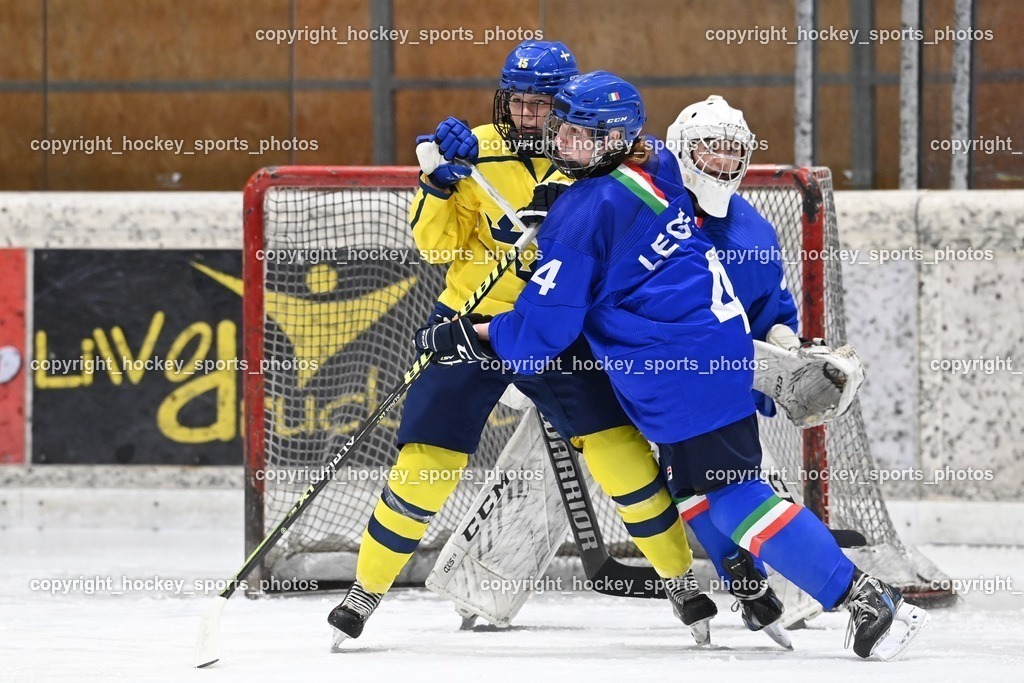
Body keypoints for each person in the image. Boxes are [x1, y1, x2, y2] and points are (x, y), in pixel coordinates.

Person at [417, 71, 929, 661]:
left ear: (615, 140)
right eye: (562, 130)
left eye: (584, 136)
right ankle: (747, 582)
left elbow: (539, 335)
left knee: (735, 497)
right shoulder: (656, 164)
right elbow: (617, 198)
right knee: (691, 492)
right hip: (696, 363)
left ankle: (868, 598)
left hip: (685, 375)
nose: (564, 143)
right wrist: (558, 204)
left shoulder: (583, 217)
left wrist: (467, 332)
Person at [329, 42, 716, 649]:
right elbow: (435, 249)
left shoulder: (593, 152)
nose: (530, 115)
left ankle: (680, 580)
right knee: (426, 464)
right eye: (519, 101)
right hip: (471, 322)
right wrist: (437, 184)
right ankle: (366, 590)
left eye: (544, 104)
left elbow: (655, 184)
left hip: (558, 327)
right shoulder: (473, 151)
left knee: (620, 453)